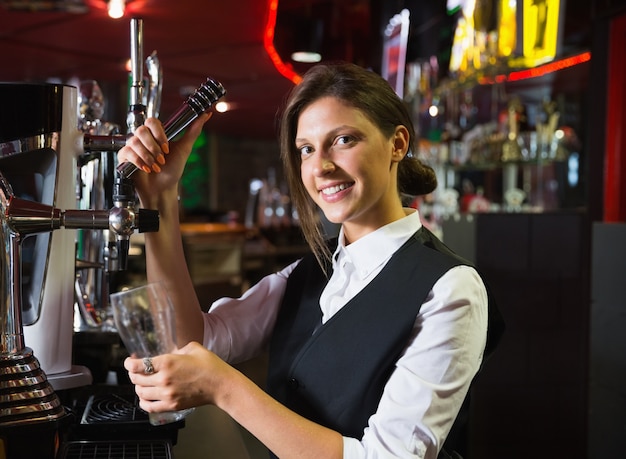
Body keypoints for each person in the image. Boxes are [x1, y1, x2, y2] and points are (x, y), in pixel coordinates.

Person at [117, 62, 502, 459]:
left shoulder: (450, 288)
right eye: (306, 149)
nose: (320, 166)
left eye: (343, 140)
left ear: (397, 144)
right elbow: (189, 342)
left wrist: (224, 387)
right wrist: (160, 197)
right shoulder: (309, 273)